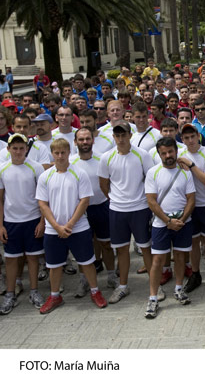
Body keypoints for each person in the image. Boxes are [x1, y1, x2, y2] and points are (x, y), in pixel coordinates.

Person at [35, 139, 108, 313]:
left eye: (63, 152)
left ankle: (95, 291)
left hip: (79, 227)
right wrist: (56, 226)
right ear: (52, 154)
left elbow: (84, 200)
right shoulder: (45, 176)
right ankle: (54, 296)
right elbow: (43, 204)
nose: (60, 156)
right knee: (54, 265)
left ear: (69, 153)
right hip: (54, 230)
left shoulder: (79, 173)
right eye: (57, 153)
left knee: (87, 262)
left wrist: (69, 224)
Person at [98, 121, 155, 304]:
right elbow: (103, 184)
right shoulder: (106, 157)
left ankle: (155, 287)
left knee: (146, 248)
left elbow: (151, 179)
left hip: (140, 209)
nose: (121, 139)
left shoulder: (142, 155)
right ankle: (122, 286)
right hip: (117, 210)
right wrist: (115, 199)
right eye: (117, 135)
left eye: (124, 135)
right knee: (122, 250)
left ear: (130, 135)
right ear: (114, 137)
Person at [144, 137, 196, 318]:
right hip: (161, 224)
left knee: (181, 256)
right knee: (158, 260)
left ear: (176, 151)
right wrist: (168, 221)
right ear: (159, 154)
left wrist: (181, 219)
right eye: (164, 153)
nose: (168, 156)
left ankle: (179, 288)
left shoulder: (186, 172)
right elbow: (151, 201)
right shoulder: (153, 172)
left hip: (183, 223)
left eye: (171, 152)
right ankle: (152, 297)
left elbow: (191, 199)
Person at [0, 134, 46, 314]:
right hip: (11, 222)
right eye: (15, 148)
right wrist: (1, 225)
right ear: (9, 149)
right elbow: (1, 200)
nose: (18, 152)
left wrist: (42, 222)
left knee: (33, 258)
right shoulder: (2, 169)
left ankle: (34, 291)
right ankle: (10, 294)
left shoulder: (36, 168)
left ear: (26, 149)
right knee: (11, 259)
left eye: (21, 148)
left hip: (32, 220)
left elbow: (43, 198)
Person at [70, 127, 117, 296]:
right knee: (83, 246)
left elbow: (110, 183)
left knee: (106, 244)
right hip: (79, 211)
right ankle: (84, 281)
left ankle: (111, 276)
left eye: (87, 139)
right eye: (81, 139)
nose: (84, 142)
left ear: (93, 140)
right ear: (75, 142)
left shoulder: (101, 160)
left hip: (101, 207)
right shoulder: (70, 162)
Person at [176, 124, 205, 294]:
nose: (190, 140)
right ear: (182, 139)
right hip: (189, 205)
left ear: (198, 136)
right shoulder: (180, 155)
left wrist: (191, 165)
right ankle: (195, 274)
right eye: (186, 138)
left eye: (192, 136)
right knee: (193, 242)